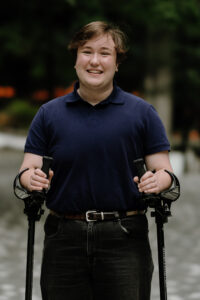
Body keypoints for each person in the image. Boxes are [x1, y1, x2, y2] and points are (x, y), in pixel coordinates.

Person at [16, 21, 178, 300]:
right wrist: (30, 178)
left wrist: (157, 181)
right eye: (86, 51)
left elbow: (166, 174)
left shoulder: (142, 113)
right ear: (76, 60)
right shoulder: (49, 114)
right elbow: (25, 172)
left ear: (117, 63)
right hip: (63, 237)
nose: (94, 60)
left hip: (125, 238)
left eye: (105, 53)